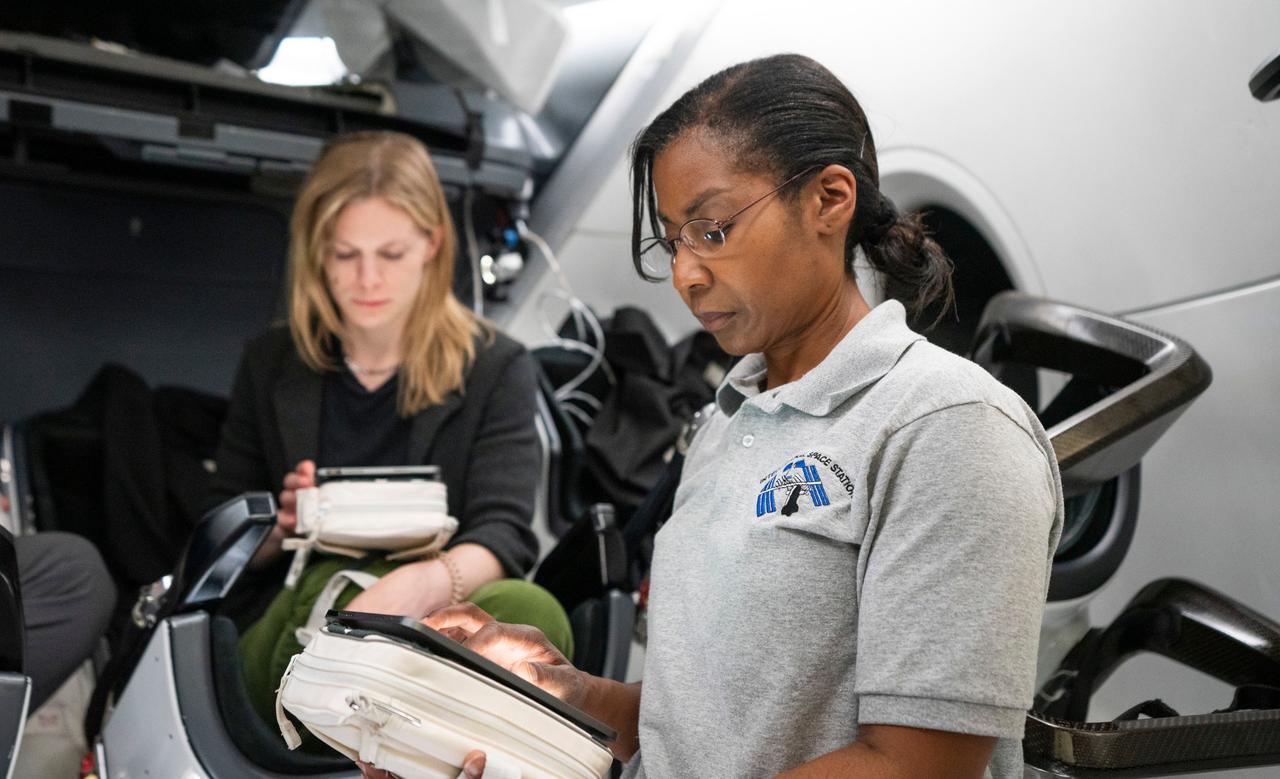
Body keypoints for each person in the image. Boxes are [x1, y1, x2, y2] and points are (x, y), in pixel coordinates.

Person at [386, 54, 1064, 779]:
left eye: (712, 229)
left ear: (829, 200)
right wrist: (560, 693)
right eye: (674, 239)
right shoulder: (727, 421)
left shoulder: (947, 425)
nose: (685, 273)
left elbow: (912, 766)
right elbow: (703, 722)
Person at [207, 131, 569, 724]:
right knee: (335, 611)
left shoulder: (497, 366)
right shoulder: (271, 361)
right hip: (300, 609)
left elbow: (502, 534)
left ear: (431, 245)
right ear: (316, 253)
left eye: (391, 254)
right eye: (346, 255)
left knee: (533, 617)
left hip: (435, 607)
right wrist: (281, 522)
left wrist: (418, 584)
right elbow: (221, 530)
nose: (368, 279)